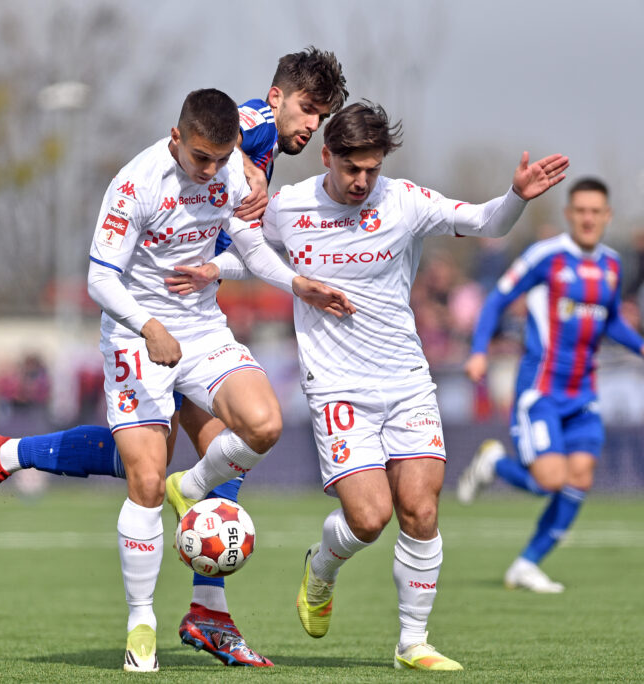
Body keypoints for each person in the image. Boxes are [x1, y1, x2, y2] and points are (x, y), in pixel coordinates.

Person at [0, 49, 348, 668]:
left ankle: (205, 603)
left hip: (202, 322)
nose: (311, 126)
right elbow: (100, 279)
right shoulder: (155, 176)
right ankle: (150, 619)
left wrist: (278, 278)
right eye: (308, 110)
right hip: (139, 331)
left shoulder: (241, 162)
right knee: (144, 470)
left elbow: (243, 245)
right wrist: (150, 324)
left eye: (321, 117)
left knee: (251, 433)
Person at [172, 101, 568, 670]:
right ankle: (322, 567)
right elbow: (254, 257)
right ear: (327, 156)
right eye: (352, 168)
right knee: (369, 518)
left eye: (372, 170)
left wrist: (516, 197)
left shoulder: (404, 200)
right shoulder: (290, 206)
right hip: (337, 389)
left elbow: (485, 223)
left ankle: (413, 643)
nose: (362, 181)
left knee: (421, 510)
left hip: (406, 381)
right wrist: (215, 268)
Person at [456, 177, 644, 593]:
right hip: (541, 393)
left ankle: (526, 564)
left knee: (580, 479)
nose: (588, 218)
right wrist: (479, 350)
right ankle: (494, 462)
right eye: (581, 211)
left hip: (584, 393)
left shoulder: (611, 265)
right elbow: (498, 298)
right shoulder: (546, 257)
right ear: (570, 215)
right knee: (549, 481)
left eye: (596, 211)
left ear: (607, 216)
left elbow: (610, 320)